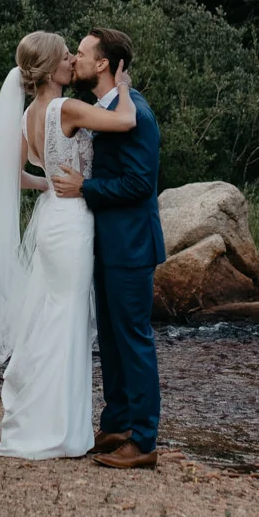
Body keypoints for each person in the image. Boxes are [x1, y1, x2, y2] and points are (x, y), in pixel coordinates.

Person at [0, 30, 138, 460]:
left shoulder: (27, 116)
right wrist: (123, 88)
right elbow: (125, 121)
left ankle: (41, 421)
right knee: (68, 321)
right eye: (65, 57)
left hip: (49, 221)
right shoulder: (65, 107)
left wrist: (46, 184)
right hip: (72, 223)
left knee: (48, 318)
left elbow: (10, 172)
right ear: (49, 68)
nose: (71, 63)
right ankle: (61, 432)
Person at [51, 27, 163, 470]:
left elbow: (140, 184)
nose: (74, 59)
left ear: (102, 64)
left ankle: (145, 440)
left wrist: (86, 187)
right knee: (113, 342)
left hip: (132, 245)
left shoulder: (138, 114)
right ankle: (117, 423)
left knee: (134, 340)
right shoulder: (107, 108)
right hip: (106, 243)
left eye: (80, 53)